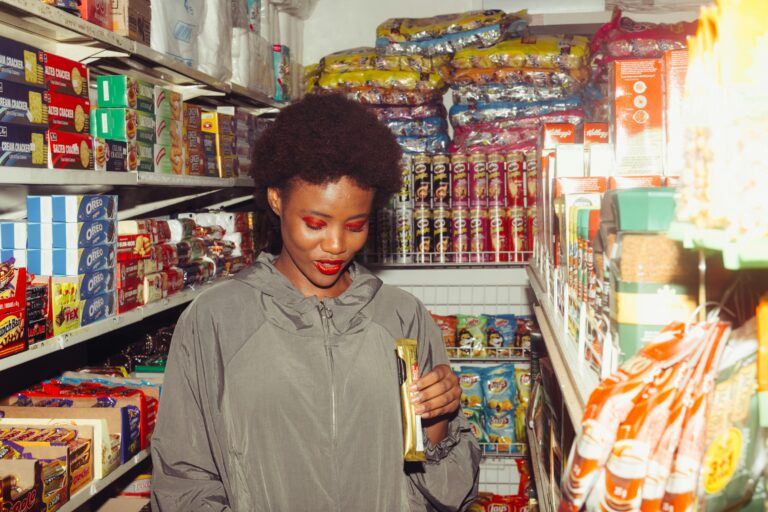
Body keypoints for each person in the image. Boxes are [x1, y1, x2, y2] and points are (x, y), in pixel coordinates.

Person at [151, 94, 481, 511]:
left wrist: (438, 420)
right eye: (315, 224)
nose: (336, 245)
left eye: (356, 225)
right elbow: (184, 479)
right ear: (276, 200)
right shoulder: (216, 319)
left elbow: (444, 491)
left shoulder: (401, 316)